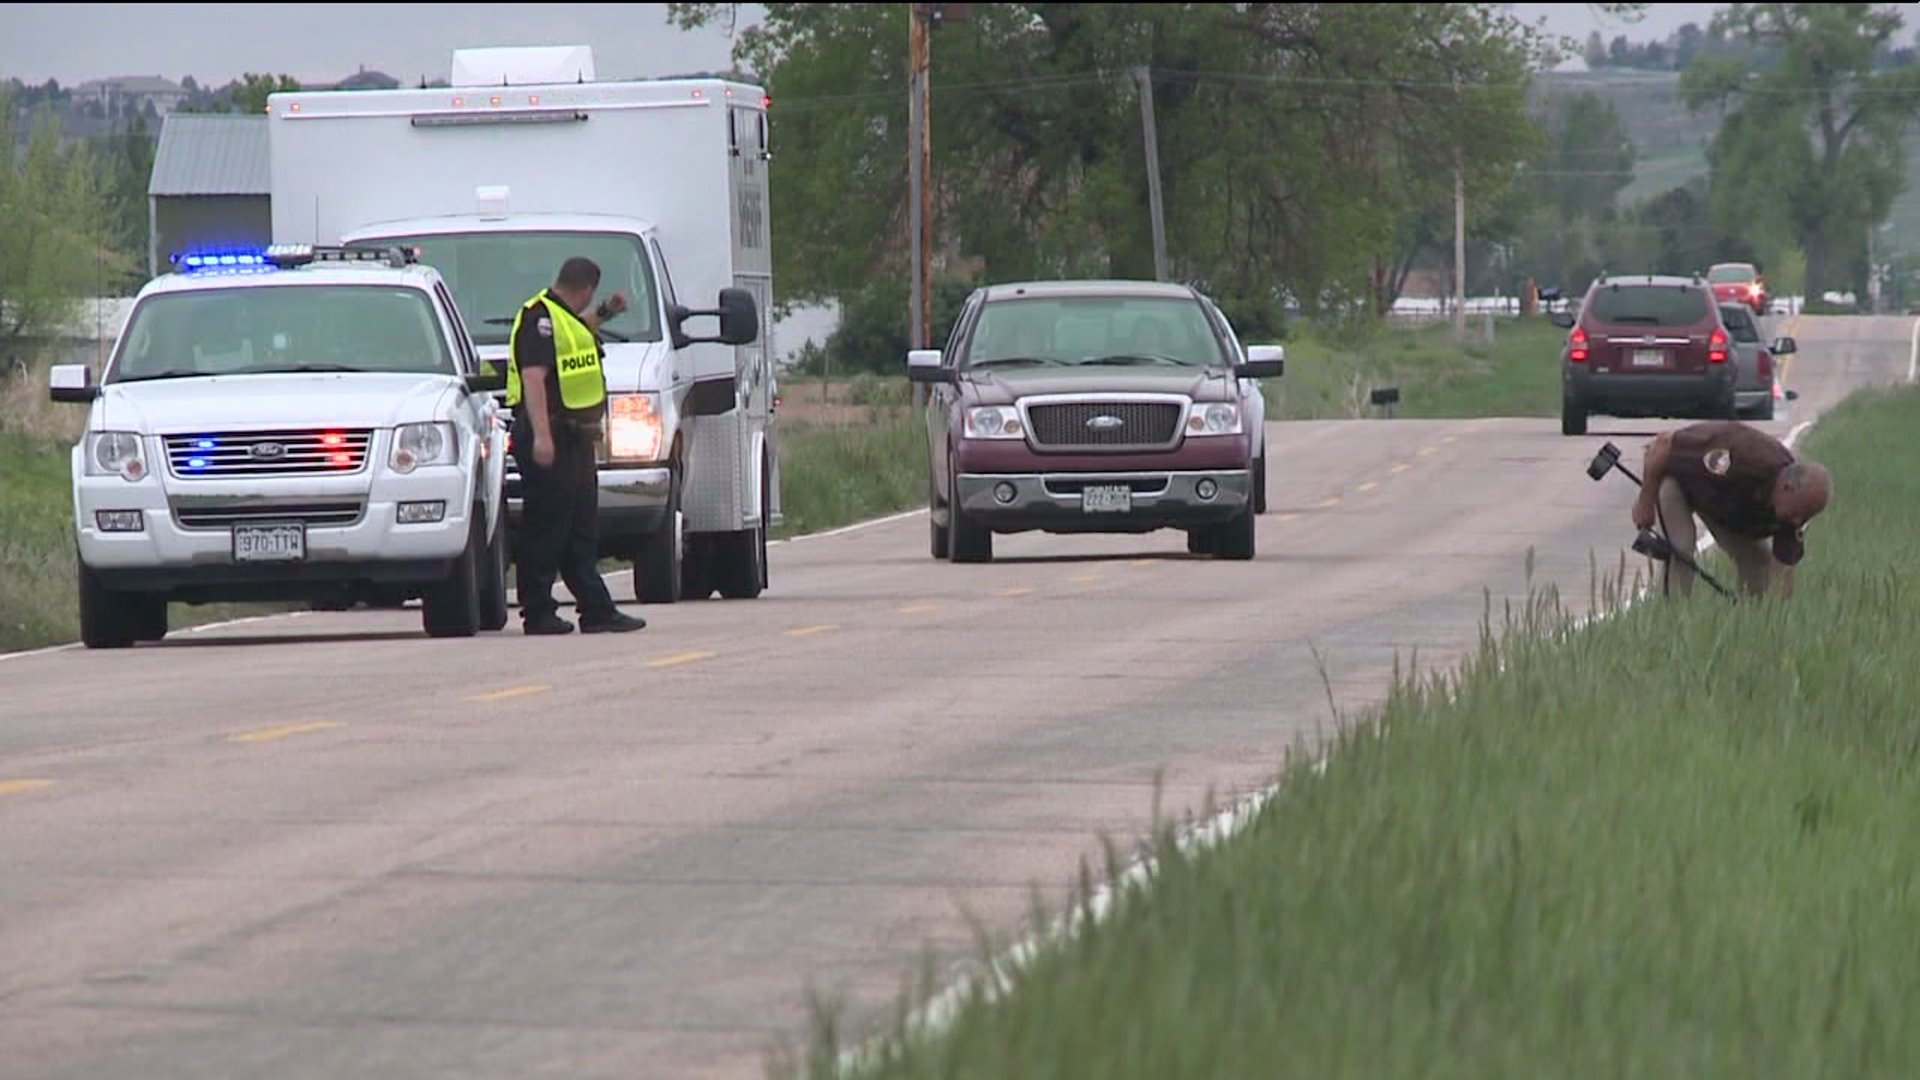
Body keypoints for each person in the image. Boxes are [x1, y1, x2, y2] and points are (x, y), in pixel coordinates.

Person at [505, 256, 648, 635]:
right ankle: (537, 611)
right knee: (547, 529)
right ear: (585, 289)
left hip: (575, 439)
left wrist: (607, 312)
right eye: (594, 297)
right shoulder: (540, 320)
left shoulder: (561, 317)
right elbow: (534, 379)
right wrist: (542, 437)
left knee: (580, 528)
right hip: (550, 435)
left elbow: (577, 330)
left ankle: (596, 610)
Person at [1631, 419, 1832, 599]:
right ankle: (1670, 621)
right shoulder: (1743, 459)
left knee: (1759, 561)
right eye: (1799, 513)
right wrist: (1645, 501)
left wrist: (1777, 620)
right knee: (1681, 549)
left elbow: (1783, 575)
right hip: (1680, 479)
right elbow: (1663, 445)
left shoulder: (1795, 513)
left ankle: (1750, 620)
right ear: (1787, 488)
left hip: (1724, 503)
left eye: (1806, 517)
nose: (1798, 522)